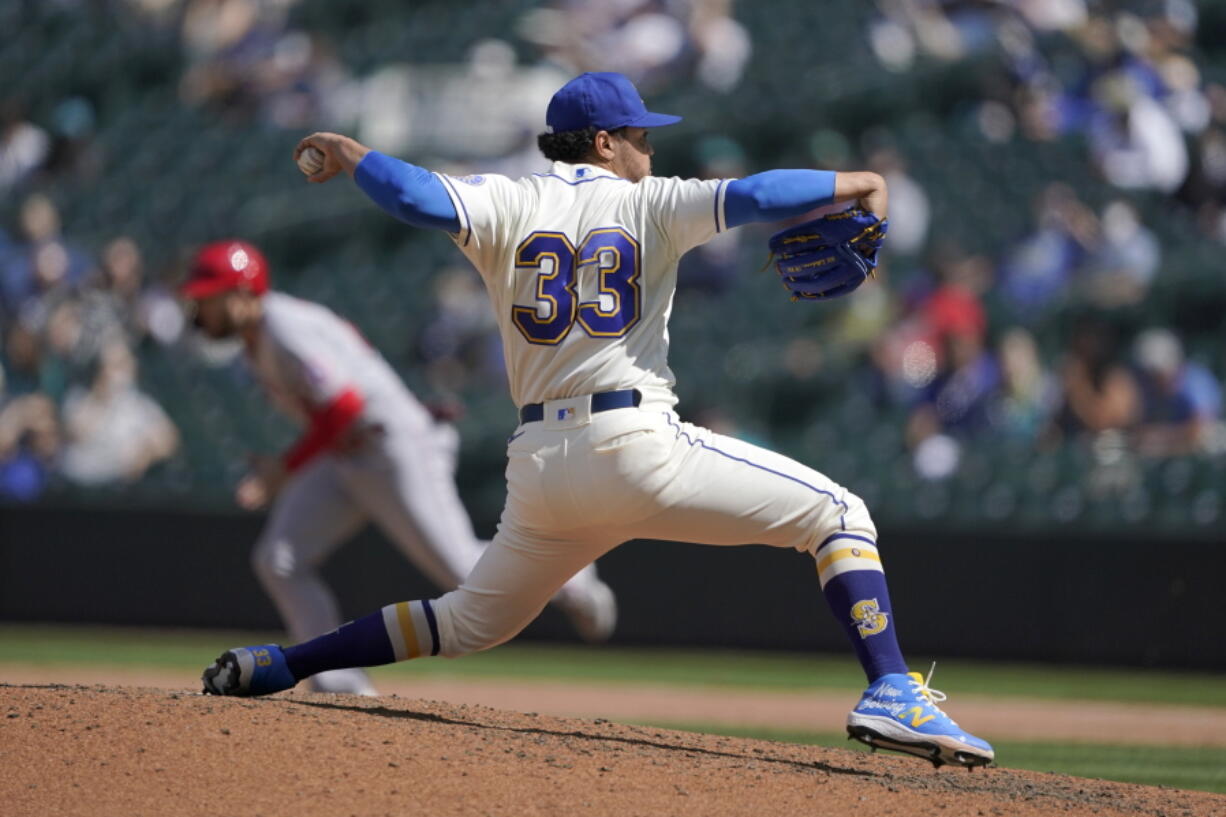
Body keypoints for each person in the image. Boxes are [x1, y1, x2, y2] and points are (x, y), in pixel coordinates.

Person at [201, 71, 994, 768]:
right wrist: (855, 182)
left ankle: (281, 662)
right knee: (841, 514)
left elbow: (410, 194)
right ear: (607, 142)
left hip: (541, 466)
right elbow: (755, 195)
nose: (652, 148)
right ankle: (892, 687)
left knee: (468, 619)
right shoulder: (653, 201)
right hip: (635, 442)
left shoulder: (504, 199)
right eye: (643, 135)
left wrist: (352, 155)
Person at [183, 239, 617, 695]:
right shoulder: (260, 338)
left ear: (241, 293)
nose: (199, 308)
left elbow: (346, 405)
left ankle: (571, 578)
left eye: (207, 297)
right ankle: (339, 681)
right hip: (347, 452)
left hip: (391, 447)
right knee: (280, 560)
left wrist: (284, 468)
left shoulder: (285, 328)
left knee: (465, 575)